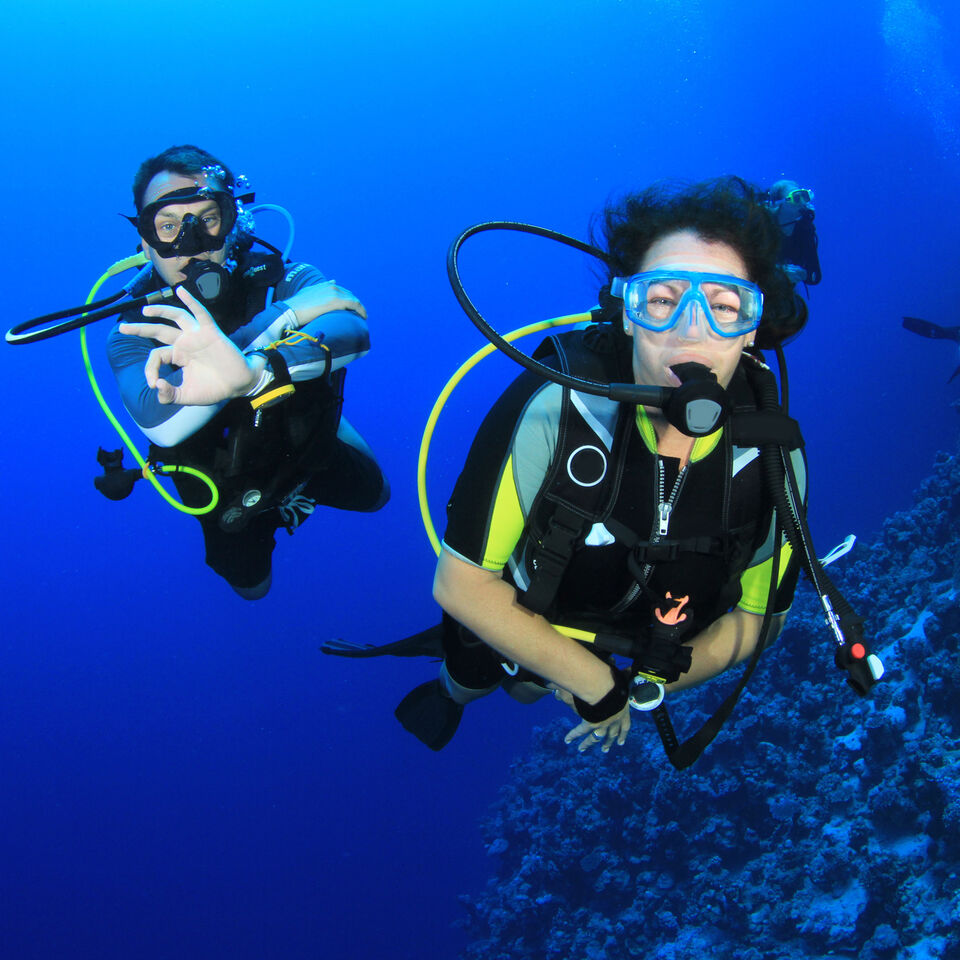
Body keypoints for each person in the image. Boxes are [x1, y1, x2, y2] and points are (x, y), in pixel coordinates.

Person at [330, 177, 811, 756]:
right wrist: (593, 684)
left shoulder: (773, 458)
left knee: (535, 686)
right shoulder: (557, 408)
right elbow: (460, 584)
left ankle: (534, 672)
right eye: (661, 299)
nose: (692, 327)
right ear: (628, 314)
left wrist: (639, 689)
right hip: (527, 604)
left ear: (752, 328)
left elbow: (761, 619)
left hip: (649, 644)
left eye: (726, 306)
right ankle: (453, 690)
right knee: (487, 678)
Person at [108, 145, 388, 599]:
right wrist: (274, 327)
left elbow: (353, 327)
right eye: (167, 227)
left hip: (308, 454)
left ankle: (324, 453)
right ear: (145, 241)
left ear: (233, 218)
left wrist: (260, 372)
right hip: (223, 492)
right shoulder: (134, 330)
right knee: (252, 588)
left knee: (378, 497)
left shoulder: (284, 279)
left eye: (208, 219)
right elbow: (158, 422)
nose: (191, 243)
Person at [765, 179, 821, 286]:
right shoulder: (762, 225)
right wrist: (777, 271)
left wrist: (803, 274)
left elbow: (815, 276)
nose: (803, 203)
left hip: (781, 293)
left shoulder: (804, 228)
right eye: (796, 199)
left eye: (805, 197)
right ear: (779, 203)